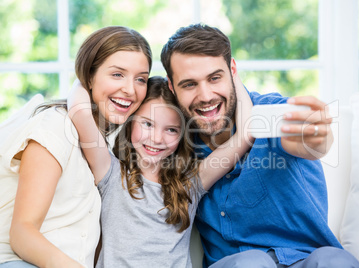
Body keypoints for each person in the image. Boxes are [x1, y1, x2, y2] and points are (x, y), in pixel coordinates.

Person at [160, 23, 359, 268]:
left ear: (232, 70)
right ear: (172, 86)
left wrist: (315, 139)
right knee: (252, 263)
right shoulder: (171, 142)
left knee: (334, 260)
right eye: (189, 84)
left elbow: (310, 144)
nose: (205, 95)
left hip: (306, 260)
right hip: (238, 265)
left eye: (215, 78)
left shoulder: (274, 114)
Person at [0, 26, 152, 268]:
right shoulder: (55, 126)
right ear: (89, 77)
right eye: (117, 74)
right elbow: (22, 233)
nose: (130, 89)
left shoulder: (99, 147)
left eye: (141, 79)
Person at [67, 74, 253, 267]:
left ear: (182, 135)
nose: (157, 138)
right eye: (147, 124)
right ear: (130, 122)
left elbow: (246, 135)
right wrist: (89, 73)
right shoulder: (111, 172)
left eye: (171, 130)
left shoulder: (190, 183)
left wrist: (232, 75)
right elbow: (80, 111)